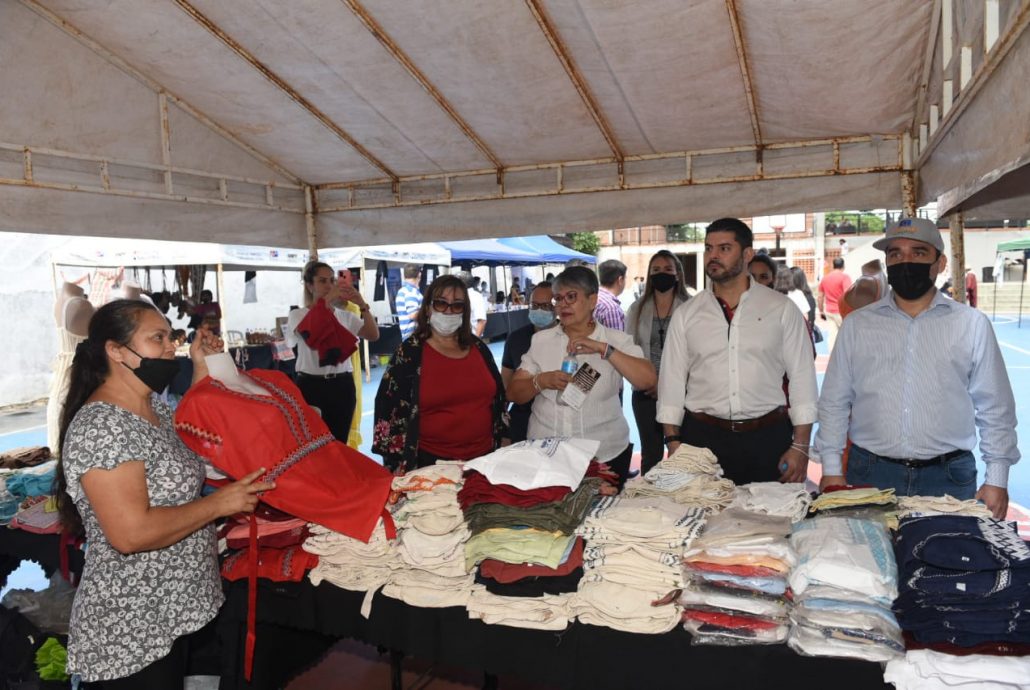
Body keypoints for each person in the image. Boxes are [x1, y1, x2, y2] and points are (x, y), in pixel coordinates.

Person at [54, 300, 273, 687]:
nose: (172, 346)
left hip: (173, 606)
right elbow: (130, 534)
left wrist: (201, 366)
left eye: (172, 337)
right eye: (158, 338)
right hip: (133, 626)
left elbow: (184, 441)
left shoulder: (153, 405)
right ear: (116, 350)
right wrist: (218, 504)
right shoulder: (102, 428)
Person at [815, 217, 1019, 519]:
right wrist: (832, 470)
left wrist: (997, 478)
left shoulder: (971, 325)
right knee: (867, 552)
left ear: (940, 263)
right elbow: (834, 401)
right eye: (895, 254)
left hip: (948, 478)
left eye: (918, 253)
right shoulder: (858, 325)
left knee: (950, 551)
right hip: (870, 474)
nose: (905, 261)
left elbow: (995, 407)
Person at [657, 218, 817, 485]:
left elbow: (802, 378)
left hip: (768, 438)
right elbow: (671, 381)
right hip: (702, 439)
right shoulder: (687, 314)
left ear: (747, 254)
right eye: (708, 248)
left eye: (724, 248)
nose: (713, 256)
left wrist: (801, 446)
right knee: (701, 511)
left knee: (772, 512)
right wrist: (673, 442)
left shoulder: (781, 309)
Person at [508, 266, 657, 487]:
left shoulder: (615, 340)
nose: (563, 304)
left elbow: (648, 380)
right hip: (548, 454)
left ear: (592, 300)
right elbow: (514, 393)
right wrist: (542, 381)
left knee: (605, 510)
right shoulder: (541, 340)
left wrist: (604, 349)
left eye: (571, 297)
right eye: (558, 298)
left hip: (604, 455)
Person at [373, 275, 506, 471]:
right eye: (441, 303)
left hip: (485, 461)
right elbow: (387, 409)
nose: (448, 311)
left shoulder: (479, 348)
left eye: (457, 305)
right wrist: (398, 468)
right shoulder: (409, 353)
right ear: (428, 308)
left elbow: (499, 399)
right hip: (430, 467)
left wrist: (504, 439)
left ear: (465, 311)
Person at [286, 261, 379, 442]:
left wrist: (362, 305)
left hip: (341, 385)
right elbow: (311, 335)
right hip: (311, 385)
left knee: (339, 441)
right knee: (312, 442)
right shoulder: (298, 315)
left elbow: (373, 334)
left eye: (331, 280)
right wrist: (327, 300)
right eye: (322, 281)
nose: (329, 286)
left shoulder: (344, 316)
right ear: (309, 286)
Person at [625, 251, 690, 474]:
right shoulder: (637, 309)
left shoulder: (690, 307)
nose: (662, 274)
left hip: (683, 393)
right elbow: (629, 350)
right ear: (650, 275)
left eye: (668, 269)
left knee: (683, 453)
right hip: (646, 393)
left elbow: (696, 354)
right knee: (651, 454)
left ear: (677, 274)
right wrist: (650, 382)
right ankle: (649, 493)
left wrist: (667, 384)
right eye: (656, 270)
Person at [501, 282, 555, 443]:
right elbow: (505, 383)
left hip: (555, 419)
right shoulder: (516, 338)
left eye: (545, 306)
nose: (539, 310)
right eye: (535, 305)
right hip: (522, 417)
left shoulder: (568, 338)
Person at [47, 282, 95, 452]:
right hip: (79, 367)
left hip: (64, 366)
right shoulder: (81, 304)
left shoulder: (60, 301)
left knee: (59, 406)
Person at [818, 257, 852, 352]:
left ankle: (833, 357)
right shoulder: (845, 277)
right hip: (842, 311)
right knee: (847, 336)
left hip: (829, 312)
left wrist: (821, 311)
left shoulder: (825, 278)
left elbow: (820, 297)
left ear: (833, 266)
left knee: (832, 336)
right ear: (843, 266)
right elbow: (848, 294)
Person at [594, 259, 627, 331]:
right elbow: (616, 338)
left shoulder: (592, 297)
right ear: (620, 280)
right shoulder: (611, 308)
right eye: (625, 278)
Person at [395, 264, 423, 340]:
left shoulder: (402, 291)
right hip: (414, 336)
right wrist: (428, 310)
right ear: (419, 274)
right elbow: (413, 315)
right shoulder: (411, 292)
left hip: (408, 335)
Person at [461, 272, 488, 337]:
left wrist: (475, 340)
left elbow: (482, 321)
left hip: (470, 337)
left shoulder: (475, 296)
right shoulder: (459, 295)